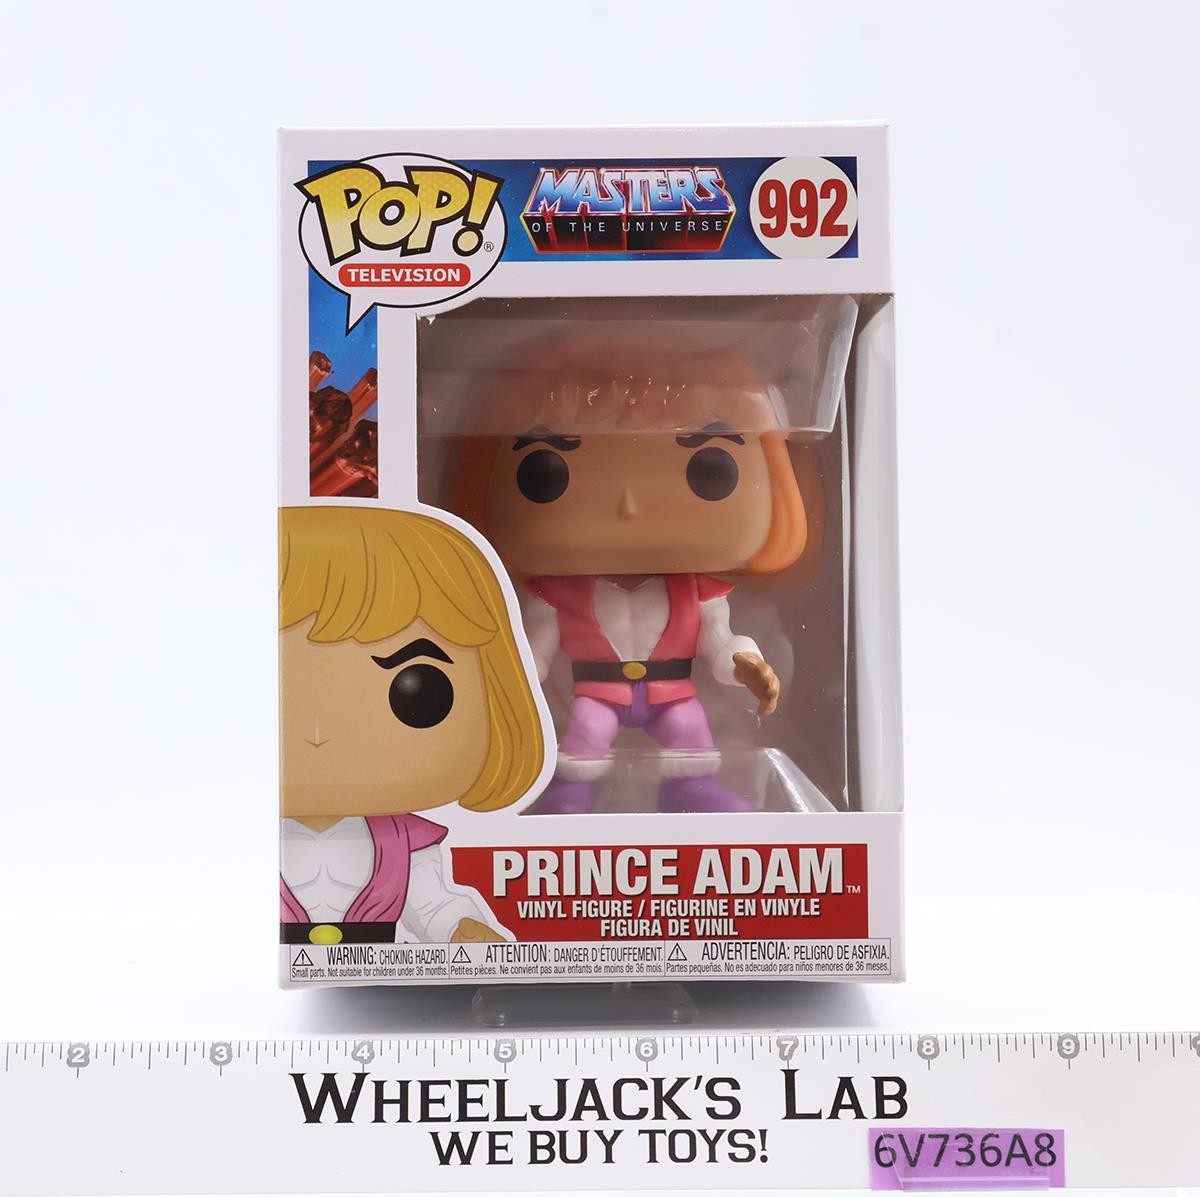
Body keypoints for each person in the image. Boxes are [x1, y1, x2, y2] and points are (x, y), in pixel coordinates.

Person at [452, 339, 810, 813]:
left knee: (689, 731)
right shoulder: (558, 593)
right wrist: (508, 679)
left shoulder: (698, 590)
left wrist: (744, 663)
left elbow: (720, 639)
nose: (628, 503)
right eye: (544, 472)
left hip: (672, 692)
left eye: (711, 469)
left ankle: (690, 790)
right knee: (585, 733)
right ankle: (569, 795)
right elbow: (534, 648)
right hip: (597, 692)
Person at [278, 505, 545, 944]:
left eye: (417, 693)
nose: (319, 733)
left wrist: (462, 928)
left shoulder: (403, 840)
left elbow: (432, 904)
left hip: (383, 969)